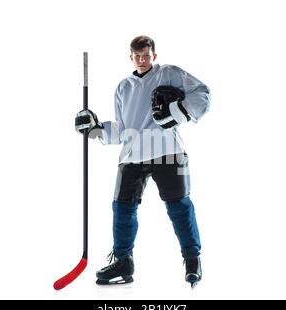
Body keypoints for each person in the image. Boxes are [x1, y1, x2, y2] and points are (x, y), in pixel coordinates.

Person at [75, 35, 210, 288]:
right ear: (131, 57)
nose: (142, 60)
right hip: (132, 154)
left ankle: (192, 259)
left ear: (154, 56)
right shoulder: (122, 87)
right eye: (137, 56)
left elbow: (203, 94)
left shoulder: (168, 73)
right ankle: (124, 261)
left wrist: (177, 112)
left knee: (179, 206)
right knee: (122, 208)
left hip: (168, 151)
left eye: (146, 55)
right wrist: (93, 128)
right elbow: (122, 129)